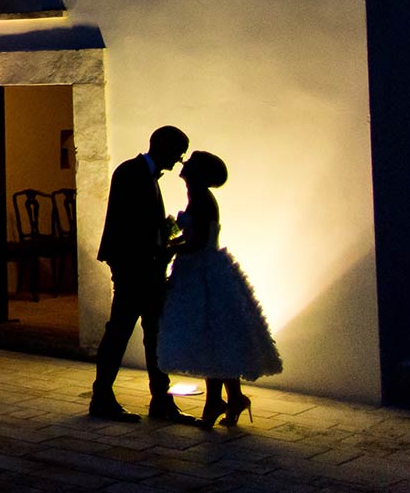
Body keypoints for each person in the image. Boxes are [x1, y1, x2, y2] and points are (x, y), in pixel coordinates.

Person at [157, 150, 282, 427]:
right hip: (202, 270)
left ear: (197, 172)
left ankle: (217, 402)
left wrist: (168, 248)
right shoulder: (198, 197)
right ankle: (230, 399)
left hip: (202, 272)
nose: (183, 163)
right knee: (212, 337)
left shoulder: (201, 199)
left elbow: (199, 241)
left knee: (211, 335)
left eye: (189, 162)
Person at [89, 125, 196, 423]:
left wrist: (163, 235)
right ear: (163, 148)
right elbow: (128, 228)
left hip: (145, 268)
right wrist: (161, 249)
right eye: (178, 153)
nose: (178, 161)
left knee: (152, 335)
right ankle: (103, 397)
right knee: (121, 332)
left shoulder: (138, 174)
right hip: (135, 269)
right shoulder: (133, 174)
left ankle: (159, 399)